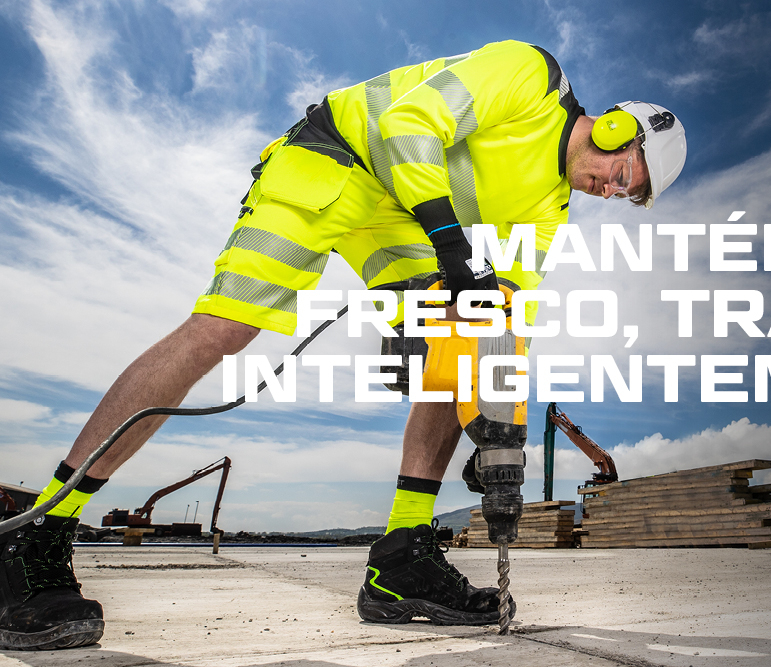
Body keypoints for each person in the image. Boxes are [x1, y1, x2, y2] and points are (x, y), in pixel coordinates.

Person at [0, 39, 686, 650]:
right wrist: (449, 243)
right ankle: (41, 530)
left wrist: (498, 427)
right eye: (628, 177)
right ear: (622, 129)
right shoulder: (529, 74)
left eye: (629, 197)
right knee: (225, 328)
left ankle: (402, 556)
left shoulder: (550, 205)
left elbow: (506, 316)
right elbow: (405, 124)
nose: (613, 193)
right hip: (334, 159)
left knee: (465, 330)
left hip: (398, 213)